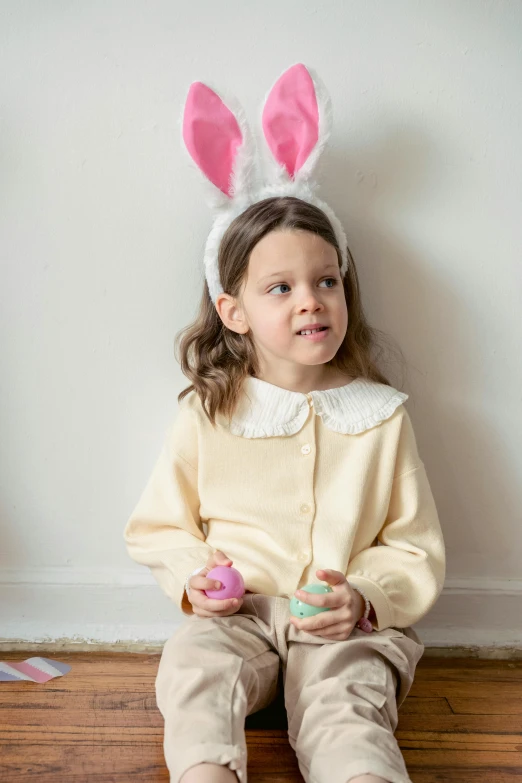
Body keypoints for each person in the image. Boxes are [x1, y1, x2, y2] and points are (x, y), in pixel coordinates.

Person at [123, 63, 446, 783]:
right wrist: (200, 577)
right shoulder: (208, 412)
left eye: (326, 280)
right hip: (235, 620)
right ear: (233, 310)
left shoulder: (381, 416)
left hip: (344, 627)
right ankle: (205, 771)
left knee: (348, 699)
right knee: (192, 668)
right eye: (281, 287)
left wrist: (364, 596)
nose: (311, 301)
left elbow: (415, 545)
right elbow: (158, 526)